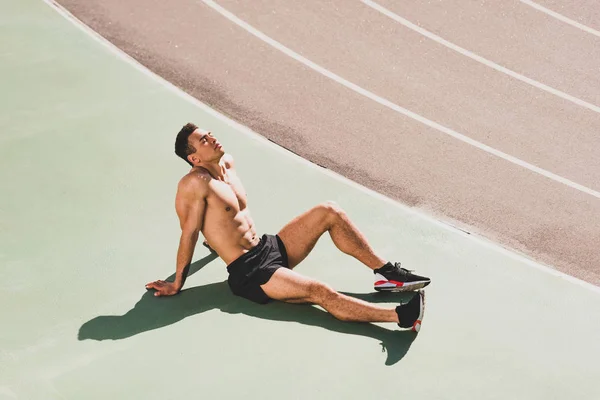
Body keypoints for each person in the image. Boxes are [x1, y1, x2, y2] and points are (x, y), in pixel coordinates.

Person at [146, 123, 431, 332]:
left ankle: (388, 274)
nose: (212, 139)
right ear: (194, 158)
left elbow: (225, 217)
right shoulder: (193, 183)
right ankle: (400, 317)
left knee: (329, 211)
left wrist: (214, 241)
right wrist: (176, 283)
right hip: (252, 272)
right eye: (203, 141)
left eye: (209, 134)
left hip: (267, 247)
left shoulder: (227, 164)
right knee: (319, 291)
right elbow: (190, 231)